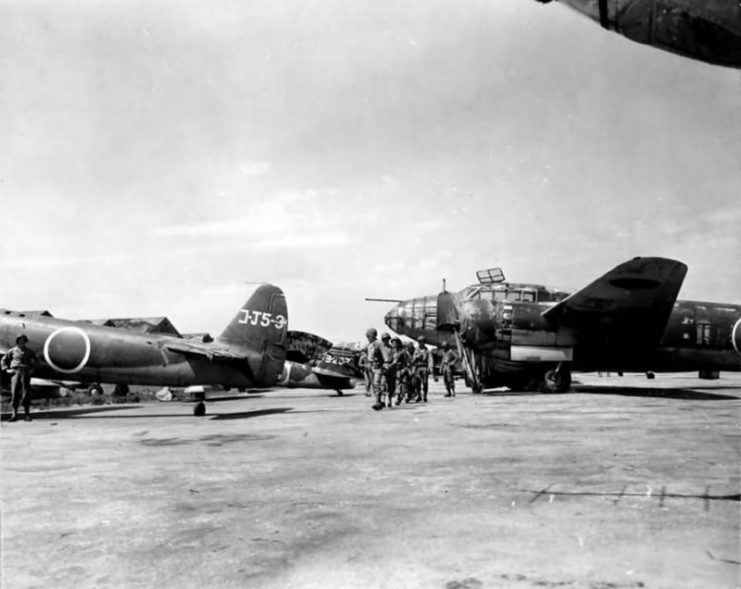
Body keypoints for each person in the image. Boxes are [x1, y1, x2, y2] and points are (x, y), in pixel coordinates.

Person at [2, 334, 38, 422]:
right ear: (17, 341)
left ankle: (27, 415)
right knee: (14, 393)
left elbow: (36, 361)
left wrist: (32, 370)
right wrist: (6, 369)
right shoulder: (12, 351)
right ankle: (14, 415)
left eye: (24, 340)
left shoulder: (30, 352)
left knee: (25, 393)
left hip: (25, 372)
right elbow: (4, 360)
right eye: (21, 340)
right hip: (15, 372)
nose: (22, 341)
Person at [364, 328, 390, 410]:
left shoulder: (379, 344)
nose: (367, 338)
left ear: (372, 335)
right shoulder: (369, 345)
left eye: (368, 336)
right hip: (371, 367)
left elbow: (384, 354)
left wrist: (386, 362)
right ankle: (378, 400)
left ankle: (378, 402)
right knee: (373, 385)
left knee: (377, 384)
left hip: (378, 367)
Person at [411, 336, 434, 403]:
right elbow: (413, 360)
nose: (420, 343)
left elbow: (430, 360)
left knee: (425, 382)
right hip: (418, 368)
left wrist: (431, 367)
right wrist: (416, 357)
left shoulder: (427, 351)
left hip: (424, 368)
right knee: (417, 383)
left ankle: (425, 396)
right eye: (419, 342)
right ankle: (419, 396)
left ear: (424, 342)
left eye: (422, 342)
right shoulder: (416, 351)